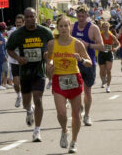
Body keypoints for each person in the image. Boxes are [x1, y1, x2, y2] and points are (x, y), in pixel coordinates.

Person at [6, 7, 53, 142]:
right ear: (24, 19)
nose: (29, 19)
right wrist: (18, 58)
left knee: (38, 99)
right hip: (25, 72)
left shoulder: (45, 32)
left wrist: (48, 56)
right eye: (27, 17)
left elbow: (52, 46)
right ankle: (28, 110)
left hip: (39, 71)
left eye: (32, 16)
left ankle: (37, 130)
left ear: (36, 17)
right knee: (26, 103)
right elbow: (9, 49)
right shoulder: (18, 34)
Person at [47, 15, 92, 153]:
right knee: (61, 113)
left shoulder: (77, 43)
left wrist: (82, 60)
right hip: (58, 80)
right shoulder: (52, 44)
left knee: (76, 114)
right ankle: (64, 130)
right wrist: (49, 68)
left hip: (74, 79)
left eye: (66, 26)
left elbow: (89, 62)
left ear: (70, 27)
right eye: (61, 26)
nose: (64, 28)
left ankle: (74, 141)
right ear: (57, 28)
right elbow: (48, 62)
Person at [71, 5, 104, 126]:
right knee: (75, 90)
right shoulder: (72, 27)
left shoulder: (93, 28)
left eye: (83, 16)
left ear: (87, 16)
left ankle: (87, 115)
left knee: (87, 91)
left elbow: (102, 46)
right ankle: (79, 107)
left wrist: (88, 45)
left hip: (89, 62)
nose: (80, 19)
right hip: (74, 62)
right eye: (78, 16)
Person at [7, 14, 25, 107]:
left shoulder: (27, 33)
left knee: (25, 82)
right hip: (14, 60)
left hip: (25, 61)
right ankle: (19, 95)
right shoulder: (11, 33)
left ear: (23, 23)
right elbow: (8, 47)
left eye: (20, 23)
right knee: (16, 83)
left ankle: (28, 100)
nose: (18, 24)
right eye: (17, 23)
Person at [98, 22, 120, 92]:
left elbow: (118, 44)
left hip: (109, 54)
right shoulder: (100, 36)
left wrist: (116, 48)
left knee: (108, 70)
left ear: (109, 27)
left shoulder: (111, 36)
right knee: (102, 70)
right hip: (101, 53)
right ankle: (103, 80)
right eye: (104, 27)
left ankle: (108, 86)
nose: (105, 28)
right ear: (102, 28)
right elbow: (95, 43)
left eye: (107, 27)